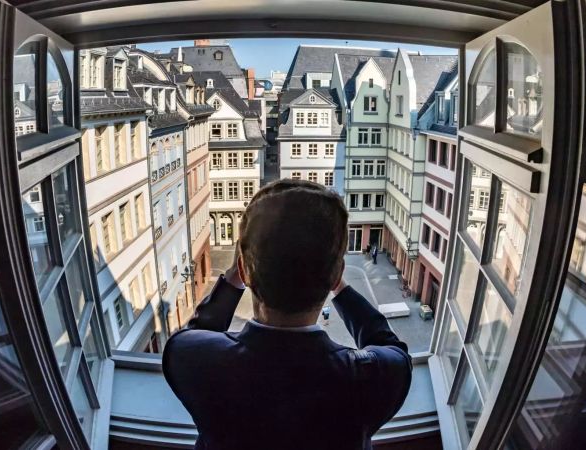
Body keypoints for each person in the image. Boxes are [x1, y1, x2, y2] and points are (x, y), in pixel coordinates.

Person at [163, 179, 412, 450]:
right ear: (336, 274)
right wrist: (338, 284)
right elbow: (391, 348)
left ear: (244, 269)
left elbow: (196, 335)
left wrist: (236, 274)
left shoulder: (191, 359)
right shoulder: (367, 378)